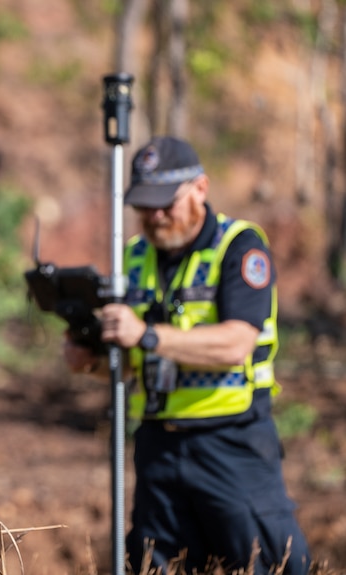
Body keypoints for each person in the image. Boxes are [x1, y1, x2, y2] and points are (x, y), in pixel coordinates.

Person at [64, 136, 311, 574]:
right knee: (156, 565)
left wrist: (147, 335)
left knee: (268, 563)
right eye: (144, 206)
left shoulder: (239, 246)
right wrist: (93, 361)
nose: (155, 216)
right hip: (159, 446)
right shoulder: (135, 257)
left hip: (230, 442)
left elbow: (237, 343)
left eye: (165, 203)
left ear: (200, 188)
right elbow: (134, 362)